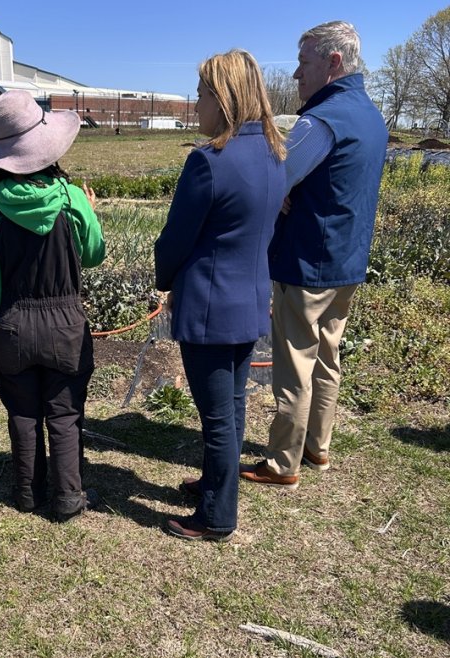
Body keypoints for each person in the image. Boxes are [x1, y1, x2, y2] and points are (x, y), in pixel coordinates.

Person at [240, 21, 388, 490]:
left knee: (294, 363)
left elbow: (274, 178)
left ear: (333, 62)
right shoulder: (369, 114)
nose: (298, 73)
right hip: (347, 258)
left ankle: (282, 463)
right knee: (327, 355)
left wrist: (281, 193)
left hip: (307, 259)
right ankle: (316, 446)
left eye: (304, 62)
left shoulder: (320, 121)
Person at [154, 49, 286, 541]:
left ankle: (216, 516)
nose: (197, 105)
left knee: (217, 417)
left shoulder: (209, 162)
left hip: (209, 307)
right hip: (250, 301)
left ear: (224, 98)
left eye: (202, 94)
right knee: (230, 406)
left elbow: (175, 240)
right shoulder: (275, 155)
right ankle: (214, 485)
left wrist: (164, 277)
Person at [0, 90, 105, 522]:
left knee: (23, 414)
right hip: (66, 326)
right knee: (64, 414)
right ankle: (67, 498)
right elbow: (94, 254)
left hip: (13, 329)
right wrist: (90, 210)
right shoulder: (71, 198)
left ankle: (27, 493)